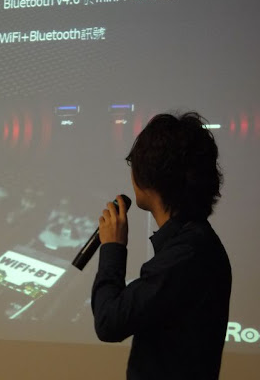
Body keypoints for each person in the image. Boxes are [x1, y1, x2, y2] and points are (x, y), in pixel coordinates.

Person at [91, 112, 232, 380]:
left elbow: (109, 321)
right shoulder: (193, 244)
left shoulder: (186, 255)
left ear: (149, 176)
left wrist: (113, 247)